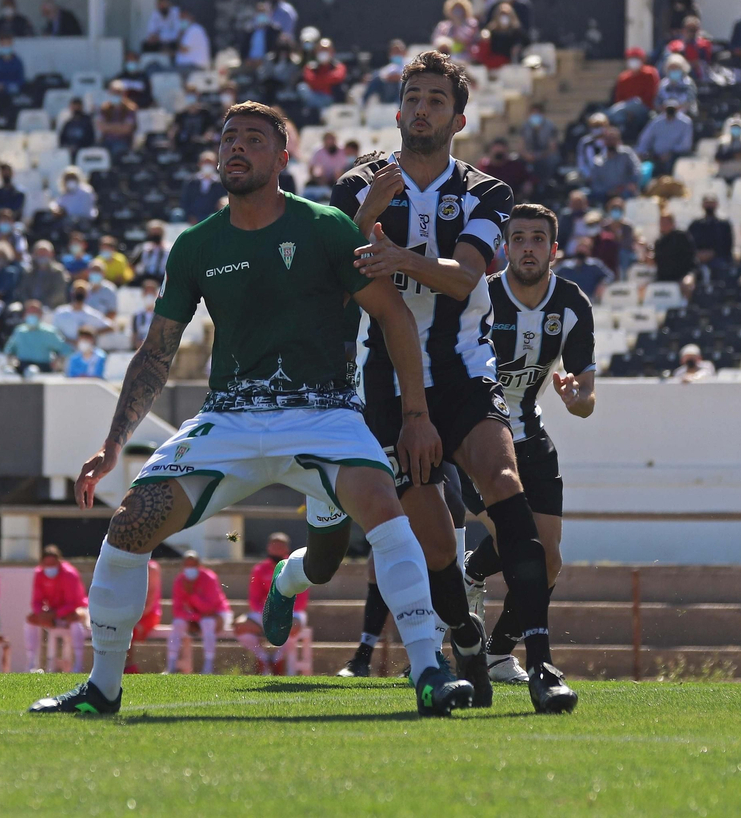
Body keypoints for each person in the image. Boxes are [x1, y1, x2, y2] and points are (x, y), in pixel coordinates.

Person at [29, 101, 468, 717]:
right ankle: (102, 687)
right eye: (229, 138)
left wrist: (416, 416)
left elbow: (393, 316)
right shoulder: (195, 245)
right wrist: (111, 445)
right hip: (229, 419)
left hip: (324, 414)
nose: (237, 147)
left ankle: (427, 669)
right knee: (128, 523)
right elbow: (156, 352)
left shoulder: (326, 227)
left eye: (254, 139)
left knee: (364, 526)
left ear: (283, 157)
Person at [328, 52, 576, 711]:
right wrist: (363, 220)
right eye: (413, 97)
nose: (422, 109)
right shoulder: (357, 184)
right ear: (398, 110)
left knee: (504, 482)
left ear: (458, 119)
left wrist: (396, 256)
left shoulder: (487, 192)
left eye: (436, 99)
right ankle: (465, 637)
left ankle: (542, 662)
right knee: (435, 541)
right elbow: (335, 274)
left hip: (465, 368)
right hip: (388, 378)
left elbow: (465, 277)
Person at [436, 204, 595, 683]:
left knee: (550, 562)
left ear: (554, 249)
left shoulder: (572, 304)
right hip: (476, 440)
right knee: (519, 541)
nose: (528, 248)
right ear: (504, 248)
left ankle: (498, 652)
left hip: (530, 436)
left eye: (538, 239)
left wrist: (576, 398)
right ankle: (472, 578)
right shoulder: (480, 296)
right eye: (519, 238)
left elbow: (587, 401)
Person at [233, 533, 309, 675]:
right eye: (274, 545)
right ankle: (263, 658)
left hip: (291, 612)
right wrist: (268, 613)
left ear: (287, 548)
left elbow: (301, 599)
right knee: (239, 625)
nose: (276, 548)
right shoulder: (259, 569)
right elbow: (254, 599)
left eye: (280, 545)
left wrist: (283, 612)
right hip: (266, 612)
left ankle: (277, 659)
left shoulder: (296, 566)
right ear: (268, 547)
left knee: (294, 626)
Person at [164, 552, 231, 675]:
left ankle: (208, 667)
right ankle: (171, 666)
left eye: (193, 565)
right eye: (187, 565)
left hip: (218, 614)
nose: (190, 568)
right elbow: (177, 610)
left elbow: (210, 609)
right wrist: (194, 617)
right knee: (178, 623)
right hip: (195, 616)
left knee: (207, 622)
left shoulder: (209, 578)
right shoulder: (180, 581)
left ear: (199, 565)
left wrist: (192, 594)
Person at [26, 545, 88, 673]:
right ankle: (32, 665)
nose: (50, 568)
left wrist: (55, 614)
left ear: (59, 562)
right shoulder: (39, 574)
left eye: (53, 564)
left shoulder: (69, 574)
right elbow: (36, 601)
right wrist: (41, 614)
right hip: (53, 612)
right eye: (47, 564)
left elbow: (73, 603)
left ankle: (78, 666)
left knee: (75, 618)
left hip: (74, 610)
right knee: (31, 619)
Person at [3, 300, 72, 373]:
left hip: (43, 368)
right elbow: (9, 350)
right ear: (25, 314)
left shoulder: (49, 332)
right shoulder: (20, 331)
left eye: (35, 312)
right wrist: (12, 361)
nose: (32, 315)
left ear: (41, 314)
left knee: (32, 370)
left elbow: (66, 349)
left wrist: (57, 361)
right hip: (22, 367)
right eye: (30, 312)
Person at [635, 99, 693, 178]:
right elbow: (645, 138)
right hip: (657, 155)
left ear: (677, 109)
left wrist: (670, 153)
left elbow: (685, 144)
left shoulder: (685, 122)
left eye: (672, 109)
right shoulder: (657, 122)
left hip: (676, 155)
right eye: (668, 109)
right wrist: (640, 152)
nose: (670, 111)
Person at [585, 127, 641, 205]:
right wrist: (609, 192)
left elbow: (637, 168)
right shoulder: (598, 161)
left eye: (613, 139)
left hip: (626, 192)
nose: (611, 142)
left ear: (618, 140)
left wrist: (632, 182)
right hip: (606, 196)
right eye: (608, 139)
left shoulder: (626, 154)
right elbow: (596, 183)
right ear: (604, 141)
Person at [688, 195, 734, 281]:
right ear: (703, 205)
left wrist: (712, 253)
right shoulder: (695, 225)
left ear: (716, 204)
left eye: (711, 203)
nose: (709, 205)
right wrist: (698, 254)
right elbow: (689, 244)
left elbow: (727, 245)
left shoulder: (724, 225)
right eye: (707, 203)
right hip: (698, 259)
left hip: (719, 259)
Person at [180, 151, 226, 221]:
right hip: (192, 217)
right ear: (199, 163)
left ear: (216, 164)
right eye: (205, 162)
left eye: (210, 162)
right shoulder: (191, 181)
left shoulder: (221, 182)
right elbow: (185, 201)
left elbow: (223, 201)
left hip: (213, 217)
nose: (207, 165)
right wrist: (190, 216)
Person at [651, 209, 695, 284]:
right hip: (664, 277)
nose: (663, 225)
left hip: (683, 274)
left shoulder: (682, 237)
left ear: (672, 223)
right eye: (661, 222)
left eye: (666, 222)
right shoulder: (659, 242)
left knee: (687, 283)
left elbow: (690, 257)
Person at [0, 35, 26, 102]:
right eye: (3, 44)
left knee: (13, 89)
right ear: (0, 45)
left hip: (13, 90)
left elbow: (21, 80)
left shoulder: (17, 61)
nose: (5, 46)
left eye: (7, 44)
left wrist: (5, 85)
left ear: (11, 44)